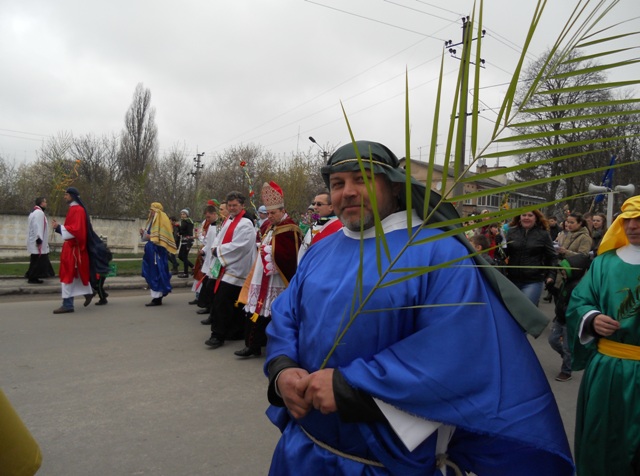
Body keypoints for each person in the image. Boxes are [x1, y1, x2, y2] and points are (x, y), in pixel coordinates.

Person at [265, 141, 573, 475]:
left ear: (394, 185)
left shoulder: (438, 252)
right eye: (337, 184)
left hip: (381, 463)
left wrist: (350, 387)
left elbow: (457, 348)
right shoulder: (320, 251)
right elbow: (286, 316)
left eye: (362, 179)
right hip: (302, 451)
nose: (348, 192)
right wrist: (282, 370)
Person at [566, 195, 640, 476]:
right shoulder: (604, 264)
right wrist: (592, 318)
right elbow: (579, 301)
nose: (633, 226)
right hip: (609, 371)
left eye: (639, 219)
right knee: (603, 440)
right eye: (627, 219)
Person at [236, 182, 302, 358]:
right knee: (256, 310)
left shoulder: (290, 228)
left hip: (277, 279)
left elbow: (289, 257)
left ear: (282, 210)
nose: (270, 216)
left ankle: (271, 347)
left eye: (273, 213)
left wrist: (270, 252)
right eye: (269, 213)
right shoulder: (271, 227)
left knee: (272, 312)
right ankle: (253, 345)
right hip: (262, 276)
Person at [204, 191, 257, 349]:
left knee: (222, 302)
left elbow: (241, 246)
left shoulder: (246, 223)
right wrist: (215, 248)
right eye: (230, 205)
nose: (232, 208)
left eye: (235, 205)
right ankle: (233, 331)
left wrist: (218, 251)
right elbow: (219, 239)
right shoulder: (230, 220)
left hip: (236, 268)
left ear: (242, 206)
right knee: (232, 303)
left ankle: (217, 335)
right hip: (226, 265)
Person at [51, 187, 96, 314]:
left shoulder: (77, 210)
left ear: (72, 196)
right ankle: (89, 292)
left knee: (67, 275)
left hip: (73, 249)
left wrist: (59, 228)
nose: (64, 197)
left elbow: (76, 230)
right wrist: (59, 228)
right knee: (73, 275)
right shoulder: (74, 209)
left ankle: (67, 304)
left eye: (66, 194)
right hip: (71, 248)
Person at [547, 253, 590, 382]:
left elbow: (575, 306)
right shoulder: (566, 283)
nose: (562, 273)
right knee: (553, 340)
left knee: (567, 347)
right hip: (560, 318)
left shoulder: (578, 287)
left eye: (565, 271)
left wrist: (566, 311)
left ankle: (566, 371)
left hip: (569, 322)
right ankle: (568, 358)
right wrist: (551, 287)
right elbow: (560, 297)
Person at [505, 210, 558, 305]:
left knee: (526, 309)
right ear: (519, 217)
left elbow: (552, 256)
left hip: (533, 280)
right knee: (511, 310)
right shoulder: (511, 232)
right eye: (524, 215)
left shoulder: (543, 234)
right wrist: (499, 245)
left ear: (536, 218)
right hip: (512, 279)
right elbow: (504, 254)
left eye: (530, 215)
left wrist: (551, 275)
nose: (526, 217)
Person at [140, 202, 177, 306]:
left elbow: (160, 238)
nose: (150, 212)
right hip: (151, 251)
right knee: (152, 272)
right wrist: (143, 234)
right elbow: (150, 236)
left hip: (157, 252)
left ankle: (157, 297)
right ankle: (157, 296)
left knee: (156, 273)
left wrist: (149, 237)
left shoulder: (162, 220)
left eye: (152, 210)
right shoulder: (153, 221)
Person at [297, 190, 342, 262]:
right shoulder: (314, 225)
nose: (315, 207)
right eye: (314, 203)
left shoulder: (340, 227)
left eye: (319, 204)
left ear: (331, 207)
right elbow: (303, 251)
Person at [193, 203, 219, 315]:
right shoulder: (211, 226)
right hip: (208, 258)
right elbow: (208, 243)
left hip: (214, 260)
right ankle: (207, 306)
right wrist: (203, 250)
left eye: (208, 217)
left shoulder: (219, 227)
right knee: (206, 285)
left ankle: (211, 309)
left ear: (214, 214)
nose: (207, 219)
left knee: (210, 286)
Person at [25, 196, 55, 284]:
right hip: (37, 241)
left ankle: (31, 274)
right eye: (45, 202)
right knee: (38, 260)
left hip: (34, 240)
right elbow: (37, 226)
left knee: (35, 259)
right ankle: (33, 277)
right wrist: (39, 239)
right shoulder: (39, 213)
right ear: (41, 203)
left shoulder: (34, 212)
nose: (46, 204)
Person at [177, 208, 195, 278]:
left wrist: (178, 228)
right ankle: (193, 266)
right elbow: (182, 231)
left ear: (187, 215)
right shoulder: (184, 221)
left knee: (184, 257)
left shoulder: (188, 221)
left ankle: (185, 273)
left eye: (184, 214)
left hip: (187, 241)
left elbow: (186, 231)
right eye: (181, 214)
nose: (182, 215)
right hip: (184, 240)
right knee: (180, 256)